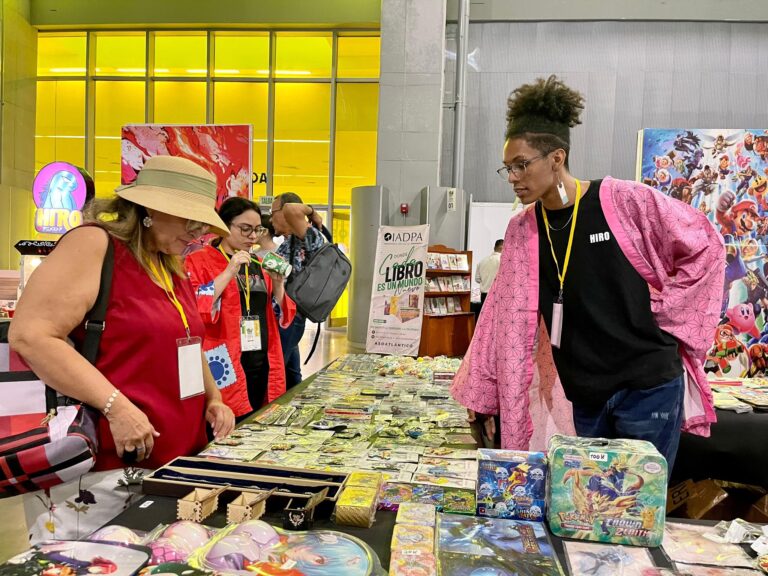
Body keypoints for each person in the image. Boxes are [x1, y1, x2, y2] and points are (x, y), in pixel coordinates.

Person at [451, 76, 725, 471]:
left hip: (646, 386)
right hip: (583, 392)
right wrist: (486, 394)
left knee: (635, 511)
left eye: (521, 165)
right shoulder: (523, 228)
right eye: (507, 167)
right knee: (588, 507)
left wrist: (667, 316)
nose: (513, 177)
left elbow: (705, 245)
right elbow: (500, 316)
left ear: (556, 158)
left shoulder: (625, 201)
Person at [8, 155, 236, 540]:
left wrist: (213, 399)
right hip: (100, 471)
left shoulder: (168, 263)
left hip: (167, 465)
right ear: (150, 209)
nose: (197, 231)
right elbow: (31, 334)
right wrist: (117, 406)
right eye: (188, 219)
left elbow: (187, 343)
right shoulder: (96, 244)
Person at [185, 197, 296, 419]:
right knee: (226, 420)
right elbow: (196, 306)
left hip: (262, 357)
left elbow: (283, 314)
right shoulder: (199, 261)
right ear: (224, 225)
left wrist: (278, 284)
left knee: (258, 419)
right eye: (245, 229)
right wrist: (229, 271)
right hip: (224, 358)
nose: (253, 237)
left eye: (257, 230)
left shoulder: (258, 263)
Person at [270, 193, 326, 388]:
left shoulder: (308, 236)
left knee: (276, 368)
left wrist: (312, 213)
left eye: (273, 212)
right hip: (284, 314)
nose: (270, 218)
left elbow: (293, 209)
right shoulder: (289, 242)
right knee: (292, 375)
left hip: (291, 316)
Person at [475, 239, 503, 308]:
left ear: (494, 248)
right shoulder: (503, 261)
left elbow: (477, 279)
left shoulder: (482, 261)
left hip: (484, 295)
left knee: (485, 318)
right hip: (497, 295)